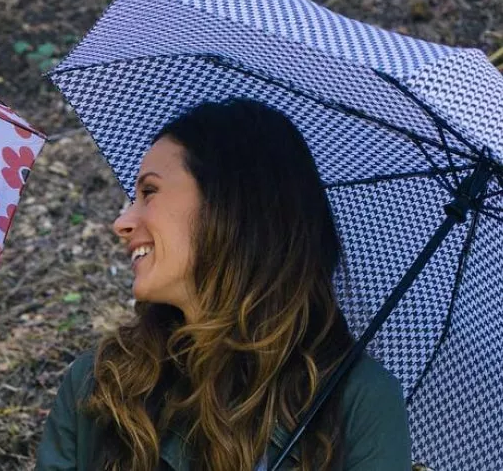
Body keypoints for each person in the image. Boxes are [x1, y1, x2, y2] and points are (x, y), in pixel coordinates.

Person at [35, 99, 412, 471]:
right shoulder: (100, 385)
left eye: (149, 192)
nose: (122, 222)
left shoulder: (356, 403)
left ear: (230, 206)